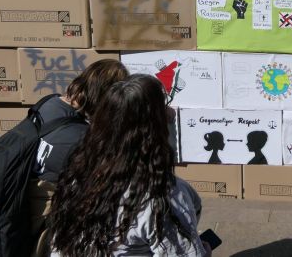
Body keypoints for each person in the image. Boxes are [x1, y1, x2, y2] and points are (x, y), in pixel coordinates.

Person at [46, 74, 209, 256]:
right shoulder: (162, 195)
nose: (170, 113)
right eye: (164, 107)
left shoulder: (76, 176)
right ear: (156, 128)